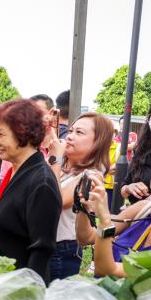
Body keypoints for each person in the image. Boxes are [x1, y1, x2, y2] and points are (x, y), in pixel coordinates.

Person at [0, 99, 61, 282]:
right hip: (3, 281)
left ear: (23, 132)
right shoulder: (15, 171)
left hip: (19, 290)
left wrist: (26, 297)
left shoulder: (41, 182)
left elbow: (41, 251)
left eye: (1, 134)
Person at [48, 112, 113, 281]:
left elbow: (57, 200)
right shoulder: (66, 168)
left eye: (79, 133)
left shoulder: (92, 174)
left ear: (97, 143)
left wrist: (56, 158)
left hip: (62, 250)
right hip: (47, 244)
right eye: (71, 131)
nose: (69, 136)